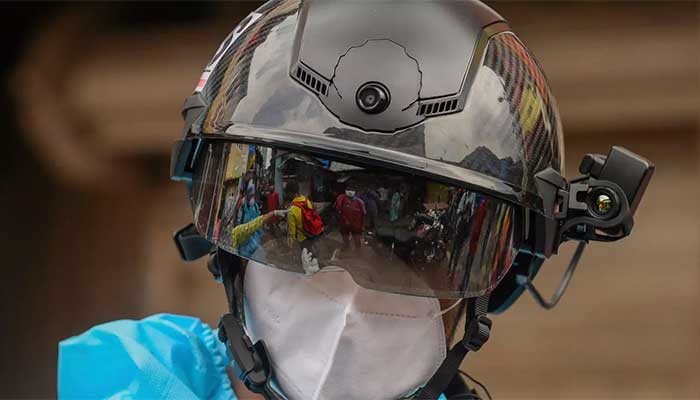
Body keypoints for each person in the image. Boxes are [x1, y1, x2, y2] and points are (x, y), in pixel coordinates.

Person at [59, 2, 652, 400]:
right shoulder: (114, 386)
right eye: (302, 237)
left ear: (490, 285)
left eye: (413, 251)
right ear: (232, 248)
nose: (348, 294)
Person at [334, 187, 366, 252]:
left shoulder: (360, 202)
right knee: (345, 237)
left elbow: (364, 214)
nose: (350, 192)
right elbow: (337, 211)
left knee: (357, 239)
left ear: (355, 192)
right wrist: (338, 222)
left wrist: (363, 225)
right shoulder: (341, 199)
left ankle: (358, 251)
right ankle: (346, 248)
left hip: (356, 225)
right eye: (348, 190)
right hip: (344, 224)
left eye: (352, 190)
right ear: (345, 191)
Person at [236, 184, 262, 257]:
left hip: (254, 242)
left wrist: (259, 235)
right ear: (247, 195)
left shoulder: (255, 206)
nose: (252, 198)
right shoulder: (242, 207)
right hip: (243, 241)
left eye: (253, 195)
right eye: (251, 195)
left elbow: (258, 221)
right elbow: (238, 222)